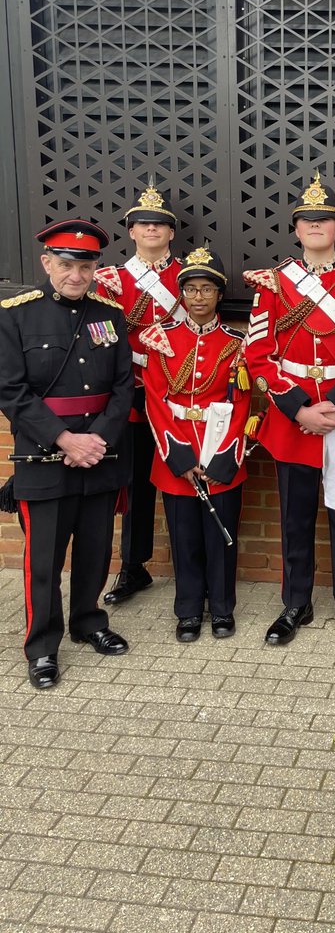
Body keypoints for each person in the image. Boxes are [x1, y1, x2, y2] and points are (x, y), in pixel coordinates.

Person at [243, 173, 335, 648]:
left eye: (324, 220)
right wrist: (298, 408)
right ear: (296, 229)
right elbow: (258, 353)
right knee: (296, 513)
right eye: (307, 220)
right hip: (295, 417)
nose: (315, 226)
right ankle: (295, 602)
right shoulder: (271, 284)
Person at [0, 218, 134, 689]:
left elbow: (123, 386)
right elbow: (10, 391)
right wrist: (64, 439)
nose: (76, 275)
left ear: (96, 266)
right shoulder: (14, 314)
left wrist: (97, 439)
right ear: (47, 263)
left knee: (96, 550)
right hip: (44, 454)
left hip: (100, 453)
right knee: (44, 559)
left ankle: (89, 622)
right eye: (65, 265)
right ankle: (41, 646)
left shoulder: (109, 314)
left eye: (85, 266)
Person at [141, 247, 251, 642]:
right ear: (182, 294)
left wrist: (224, 455)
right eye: (191, 289)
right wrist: (180, 457)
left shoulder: (237, 343)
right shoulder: (161, 340)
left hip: (221, 450)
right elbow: (155, 399)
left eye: (207, 289)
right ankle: (188, 610)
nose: (199, 297)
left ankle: (222, 608)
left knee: (221, 537)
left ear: (220, 294)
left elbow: (242, 404)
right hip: (177, 451)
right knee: (184, 536)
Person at [94, 184, 185, 605]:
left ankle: (193, 565)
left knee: (185, 475)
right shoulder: (112, 280)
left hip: (182, 389)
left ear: (171, 232)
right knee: (135, 481)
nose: (152, 229)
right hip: (132, 388)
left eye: (160, 224)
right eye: (144, 224)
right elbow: (101, 336)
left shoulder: (189, 276)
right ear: (131, 232)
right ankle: (133, 566)